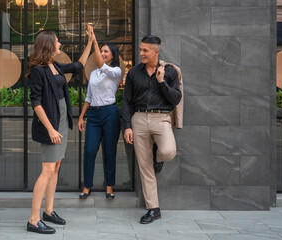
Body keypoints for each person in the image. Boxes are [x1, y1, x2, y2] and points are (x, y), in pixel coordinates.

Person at [27, 28, 93, 234]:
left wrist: (90, 41)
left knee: (55, 168)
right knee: (47, 170)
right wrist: (51, 130)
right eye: (56, 42)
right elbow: (36, 103)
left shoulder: (53, 65)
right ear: (48, 45)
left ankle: (48, 211)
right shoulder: (38, 70)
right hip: (51, 125)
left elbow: (78, 65)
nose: (59, 44)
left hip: (61, 120)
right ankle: (33, 219)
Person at [122, 35, 182, 224]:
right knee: (145, 167)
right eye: (140, 49)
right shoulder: (133, 73)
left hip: (161, 118)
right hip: (138, 118)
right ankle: (153, 209)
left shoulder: (170, 72)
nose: (141, 53)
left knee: (168, 151)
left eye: (145, 50)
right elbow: (126, 101)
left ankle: (158, 155)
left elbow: (176, 99)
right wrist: (127, 126)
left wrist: (162, 82)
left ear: (156, 52)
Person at [78, 27, 121, 200]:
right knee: (89, 150)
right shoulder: (94, 74)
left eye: (106, 51)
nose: (103, 53)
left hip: (110, 114)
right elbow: (89, 96)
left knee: (109, 152)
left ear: (112, 55)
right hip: (94, 116)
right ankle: (87, 185)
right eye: (101, 50)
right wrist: (82, 116)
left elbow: (101, 65)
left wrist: (94, 40)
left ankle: (109, 186)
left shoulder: (115, 71)